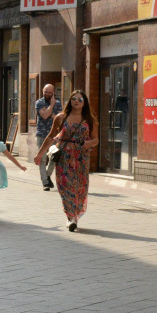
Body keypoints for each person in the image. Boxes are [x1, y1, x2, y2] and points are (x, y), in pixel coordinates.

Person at [34, 90, 99, 232]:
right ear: (70, 101)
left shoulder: (90, 120)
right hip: (64, 156)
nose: (76, 101)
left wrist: (90, 143)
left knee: (80, 187)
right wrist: (40, 154)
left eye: (80, 99)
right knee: (64, 186)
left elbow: (96, 139)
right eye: (74, 98)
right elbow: (51, 136)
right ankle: (71, 217)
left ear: (84, 103)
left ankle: (75, 213)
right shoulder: (61, 117)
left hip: (81, 157)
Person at [35, 83, 62, 191]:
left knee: (54, 156)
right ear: (42, 90)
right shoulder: (39, 102)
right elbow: (45, 115)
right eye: (45, 91)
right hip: (42, 133)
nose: (47, 94)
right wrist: (51, 105)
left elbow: (60, 118)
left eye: (49, 92)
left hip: (54, 135)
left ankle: (47, 175)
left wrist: (51, 113)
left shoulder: (58, 104)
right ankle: (45, 183)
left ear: (53, 93)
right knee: (42, 158)